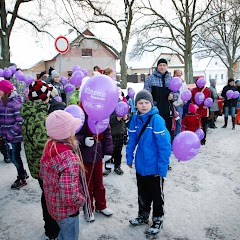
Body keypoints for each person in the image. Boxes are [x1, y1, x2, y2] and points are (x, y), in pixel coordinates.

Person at [126, 90, 171, 235]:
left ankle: (158, 218)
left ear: (151, 104)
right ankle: (143, 215)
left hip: (155, 167)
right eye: (140, 103)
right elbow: (132, 140)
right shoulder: (134, 119)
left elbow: (165, 146)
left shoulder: (156, 120)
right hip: (141, 166)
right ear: (136, 104)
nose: (144, 105)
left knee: (157, 195)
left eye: (146, 103)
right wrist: (129, 157)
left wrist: (162, 167)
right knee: (143, 193)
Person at [20, 80, 60, 240]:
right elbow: (44, 146)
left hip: (37, 164)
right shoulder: (39, 117)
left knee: (47, 195)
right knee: (49, 197)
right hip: (44, 166)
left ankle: (51, 227)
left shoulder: (34, 111)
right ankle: (52, 230)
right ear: (44, 98)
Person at [40, 110, 87, 240]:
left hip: (54, 206)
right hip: (67, 212)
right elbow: (70, 196)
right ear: (66, 132)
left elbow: (43, 174)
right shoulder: (69, 158)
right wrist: (82, 200)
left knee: (63, 234)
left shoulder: (49, 146)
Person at [76, 110, 114, 222]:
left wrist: (108, 151)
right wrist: (83, 140)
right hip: (84, 156)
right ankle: (89, 209)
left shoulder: (102, 114)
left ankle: (101, 206)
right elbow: (73, 134)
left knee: (99, 182)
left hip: (98, 154)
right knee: (87, 185)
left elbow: (107, 134)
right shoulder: (80, 115)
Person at [0, 80, 29, 189]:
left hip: (14, 137)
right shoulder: (2, 102)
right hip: (6, 137)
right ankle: (23, 172)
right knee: (12, 158)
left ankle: (21, 177)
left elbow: (20, 121)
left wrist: (10, 134)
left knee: (15, 158)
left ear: (6, 91)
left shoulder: (15, 103)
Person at [144, 58, 178, 143]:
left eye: (164, 65)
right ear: (157, 66)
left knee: (167, 133)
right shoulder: (150, 79)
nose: (162, 67)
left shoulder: (171, 79)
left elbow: (177, 93)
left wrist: (173, 96)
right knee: (155, 132)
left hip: (168, 111)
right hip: (155, 111)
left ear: (167, 66)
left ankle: (166, 150)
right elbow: (146, 94)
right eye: (160, 65)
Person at [103, 111, 128, 176]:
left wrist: (126, 117)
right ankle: (108, 168)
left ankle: (117, 167)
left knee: (118, 153)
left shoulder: (121, 106)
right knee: (109, 152)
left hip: (120, 134)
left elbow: (128, 116)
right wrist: (116, 118)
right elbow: (106, 119)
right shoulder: (108, 108)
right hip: (110, 134)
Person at [191, 76, 211, 145]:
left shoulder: (207, 90)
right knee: (196, 126)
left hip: (204, 111)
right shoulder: (193, 90)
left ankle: (203, 139)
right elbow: (191, 99)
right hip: (196, 111)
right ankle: (196, 139)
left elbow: (210, 99)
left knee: (204, 125)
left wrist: (207, 105)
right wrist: (194, 104)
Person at [173, 69, 188, 135]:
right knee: (171, 122)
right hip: (172, 105)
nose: (179, 77)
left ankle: (178, 135)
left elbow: (186, 92)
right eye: (177, 75)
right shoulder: (171, 82)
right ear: (174, 74)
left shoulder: (183, 83)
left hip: (180, 104)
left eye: (180, 75)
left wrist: (185, 101)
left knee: (179, 122)